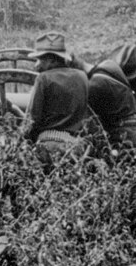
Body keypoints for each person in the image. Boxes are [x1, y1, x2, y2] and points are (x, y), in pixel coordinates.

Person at [23, 32, 90, 169]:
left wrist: (23, 142)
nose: (37, 65)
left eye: (41, 60)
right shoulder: (83, 77)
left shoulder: (43, 79)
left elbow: (32, 119)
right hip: (76, 148)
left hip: (48, 147)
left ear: (52, 60)